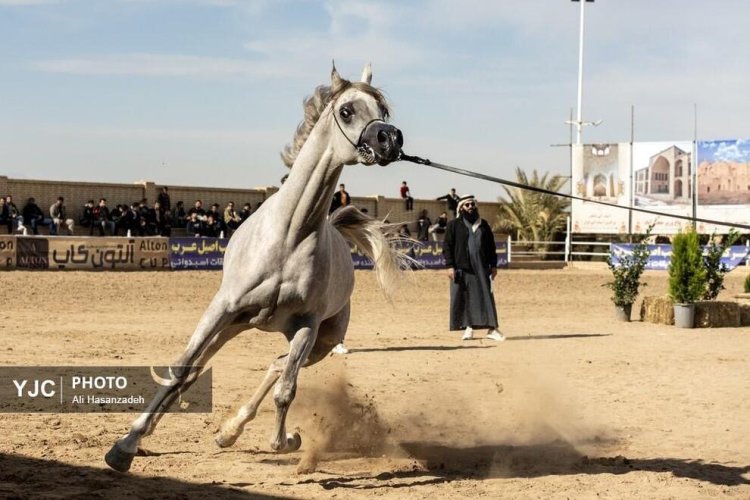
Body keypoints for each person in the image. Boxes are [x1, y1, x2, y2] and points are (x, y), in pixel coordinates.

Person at [443, 195, 504, 341]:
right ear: (461, 208)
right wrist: (450, 266)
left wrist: (494, 265)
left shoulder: (483, 225)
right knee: (465, 297)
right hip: (462, 267)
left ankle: (492, 329)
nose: (470, 207)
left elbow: (491, 247)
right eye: (467, 205)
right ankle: (468, 328)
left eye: (472, 205)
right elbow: (447, 246)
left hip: (482, 268)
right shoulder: (454, 225)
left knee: (485, 297)